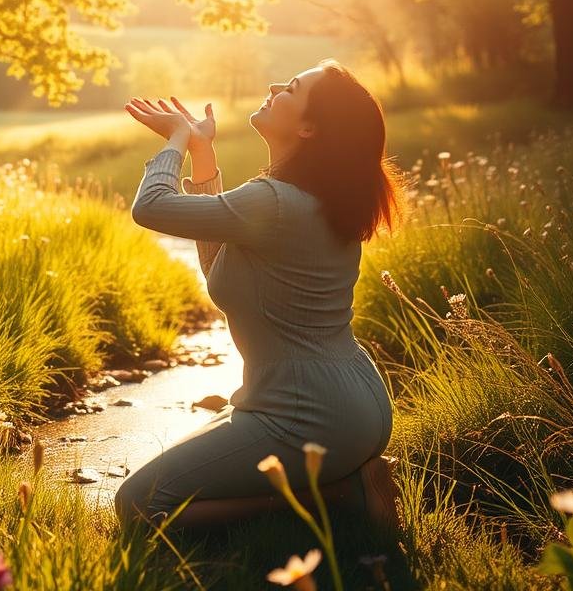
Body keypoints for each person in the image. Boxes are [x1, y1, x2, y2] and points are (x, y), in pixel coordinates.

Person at [114, 58, 404, 534]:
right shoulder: (310, 199)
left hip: (307, 416)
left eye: (291, 87)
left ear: (309, 127)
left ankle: (343, 495)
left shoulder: (273, 202)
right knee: (187, 465)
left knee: (139, 505)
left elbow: (150, 207)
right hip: (358, 405)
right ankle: (349, 480)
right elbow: (219, 269)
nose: (274, 85)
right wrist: (203, 150)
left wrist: (176, 140)